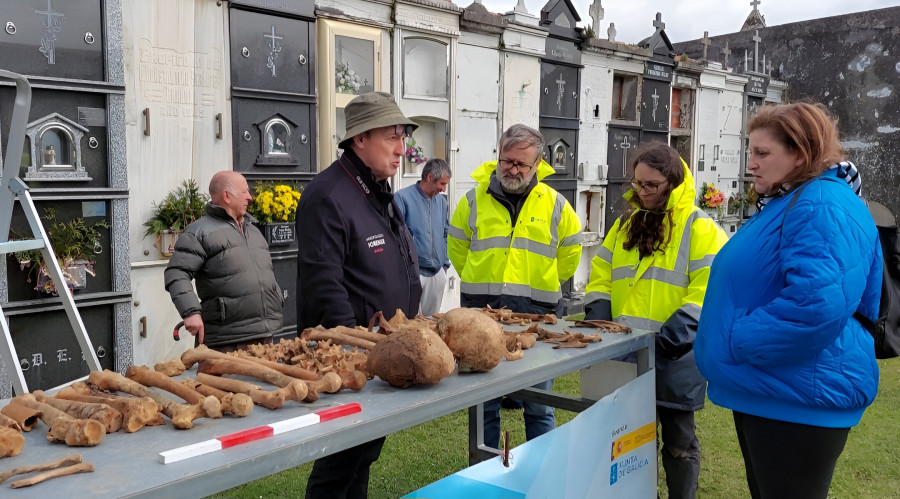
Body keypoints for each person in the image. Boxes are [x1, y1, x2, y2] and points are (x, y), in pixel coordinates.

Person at [695, 102, 882, 499]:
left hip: (797, 397)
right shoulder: (792, 200)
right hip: (774, 389)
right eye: (751, 152)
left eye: (763, 153)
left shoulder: (820, 203)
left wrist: (739, 338)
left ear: (800, 154)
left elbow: (816, 305)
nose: (751, 164)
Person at [583, 141, 728, 499]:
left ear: (673, 184)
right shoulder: (626, 224)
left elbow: (710, 284)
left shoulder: (699, 228)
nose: (642, 192)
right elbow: (601, 271)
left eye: (651, 185)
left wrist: (681, 330)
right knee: (626, 440)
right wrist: (598, 311)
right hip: (624, 351)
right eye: (637, 184)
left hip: (674, 353)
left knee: (679, 441)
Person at [296, 91, 422, 498]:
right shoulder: (329, 195)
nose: (403, 148)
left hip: (381, 350)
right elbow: (323, 284)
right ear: (360, 139)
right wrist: (357, 353)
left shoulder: (377, 191)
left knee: (363, 454)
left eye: (403, 137)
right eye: (393, 137)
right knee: (339, 462)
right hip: (351, 359)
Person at [447, 124, 583, 448]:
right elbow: (456, 249)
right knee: (484, 407)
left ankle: (542, 476)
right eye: (507, 160)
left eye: (522, 164)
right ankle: (487, 476)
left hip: (538, 319)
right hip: (481, 318)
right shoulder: (472, 201)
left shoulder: (557, 206)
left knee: (538, 406)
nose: (513, 169)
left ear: (538, 165)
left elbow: (569, 255)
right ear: (498, 156)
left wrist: (540, 285)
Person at [164, 171, 283, 351]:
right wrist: (190, 312)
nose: (250, 197)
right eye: (244, 192)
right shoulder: (197, 233)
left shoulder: (254, 230)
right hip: (227, 340)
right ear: (226, 196)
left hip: (265, 335)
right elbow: (176, 272)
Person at [394, 158, 452, 316]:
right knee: (413, 326)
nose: (444, 189)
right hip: (413, 275)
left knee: (432, 326)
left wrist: (444, 265)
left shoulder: (441, 201)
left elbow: (445, 233)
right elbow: (395, 237)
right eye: (442, 184)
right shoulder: (402, 198)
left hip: (437, 274)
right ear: (430, 177)